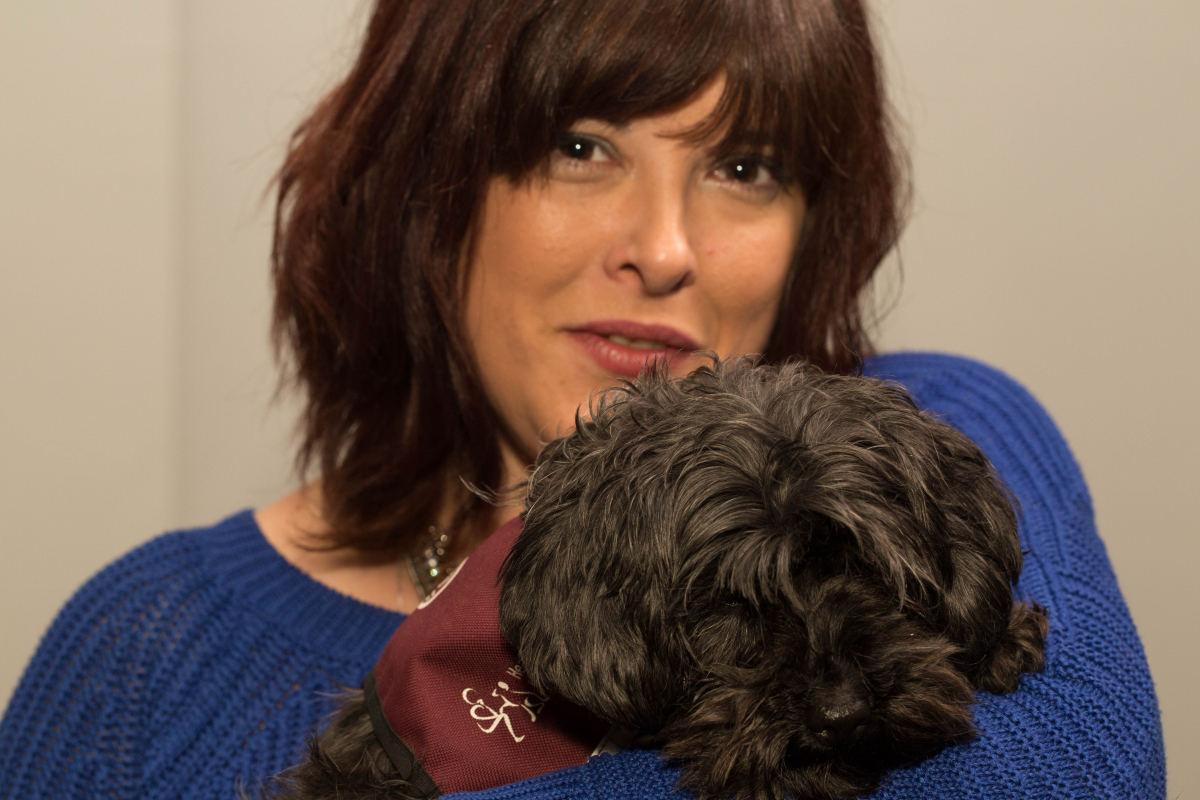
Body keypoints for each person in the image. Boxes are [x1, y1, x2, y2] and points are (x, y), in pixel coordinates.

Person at [0, 1, 1164, 798]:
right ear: (426, 194)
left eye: (746, 166)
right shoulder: (142, 654)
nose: (663, 247)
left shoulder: (939, 437)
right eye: (579, 145)